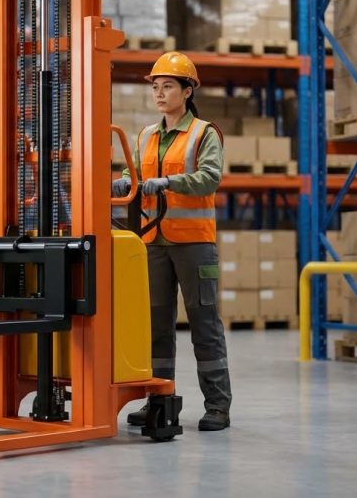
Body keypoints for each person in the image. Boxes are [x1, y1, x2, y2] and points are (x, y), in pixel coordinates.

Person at [111, 51, 232, 432]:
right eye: (156, 88)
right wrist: (124, 183)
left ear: (187, 90)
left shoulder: (204, 133)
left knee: (204, 326)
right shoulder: (147, 136)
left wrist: (169, 182)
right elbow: (135, 175)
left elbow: (210, 178)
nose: (159, 94)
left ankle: (217, 407)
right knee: (157, 328)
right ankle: (160, 402)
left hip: (194, 245)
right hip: (153, 243)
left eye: (168, 87)